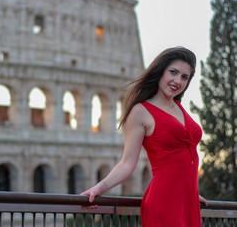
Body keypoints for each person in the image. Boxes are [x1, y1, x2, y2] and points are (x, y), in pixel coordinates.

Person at [81, 47, 208, 226]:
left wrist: (189, 190)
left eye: (184, 77)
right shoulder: (140, 112)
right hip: (164, 202)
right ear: (160, 70)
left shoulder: (179, 107)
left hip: (187, 202)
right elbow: (127, 163)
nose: (177, 81)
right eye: (173, 72)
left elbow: (184, 160)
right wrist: (100, 187)